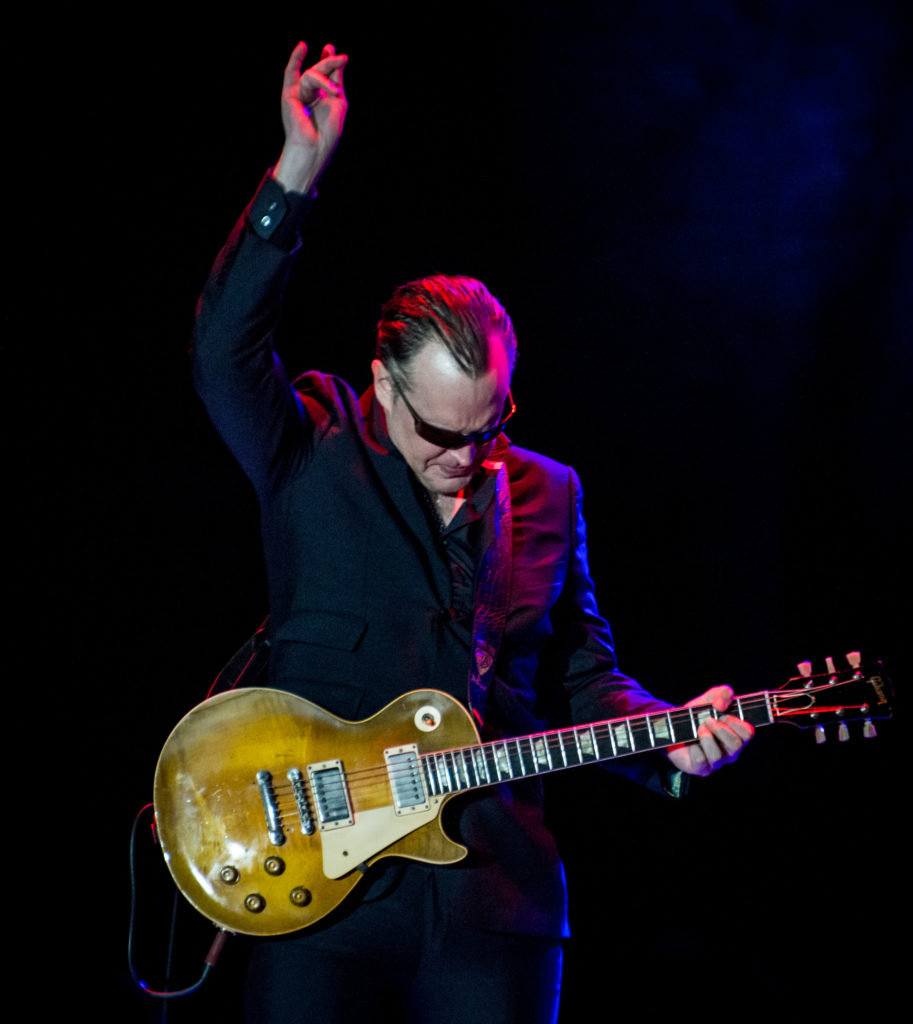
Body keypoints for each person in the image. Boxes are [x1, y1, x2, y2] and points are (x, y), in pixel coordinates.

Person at [191, 41, 754, 1024]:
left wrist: (673, 737)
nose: (473, 449)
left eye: (494, 423)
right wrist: (296, 175)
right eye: (446, 430)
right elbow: (220, 346)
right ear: (382, 384)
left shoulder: (548, 492)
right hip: (324, 901)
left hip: (494, 904)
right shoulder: (312, 449)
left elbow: (580, 676)